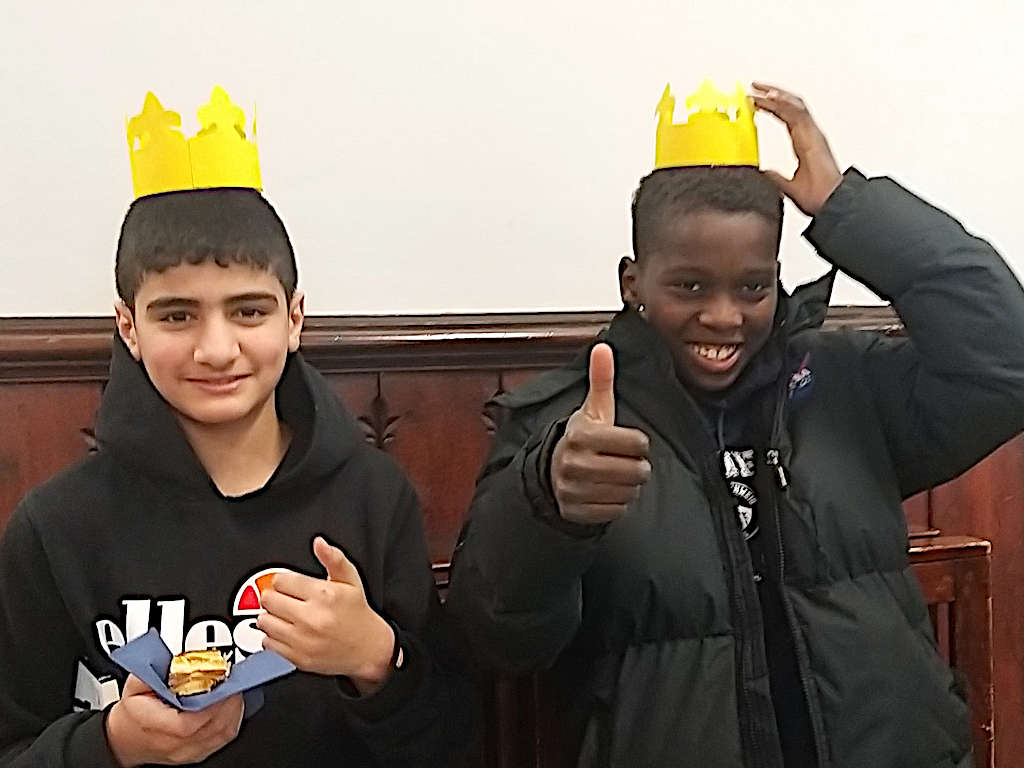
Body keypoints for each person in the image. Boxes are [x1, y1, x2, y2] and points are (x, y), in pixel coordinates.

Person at [447, 83, 1024, 767]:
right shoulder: (567, 431)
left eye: (752, 287)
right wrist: (550, 509)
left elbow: (1007, 361)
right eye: (689, 286)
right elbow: (496, 639)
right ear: (632, 281)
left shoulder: (845, 387)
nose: (724, 317)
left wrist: (847, 207)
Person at [0, 185, 467, 764]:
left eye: (249, 311)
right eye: (177, 316)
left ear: (294, 319)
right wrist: (112, 743)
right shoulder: (56, 527)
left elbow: (453, 737)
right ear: (129, 327)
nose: (217, 350)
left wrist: (377, 659)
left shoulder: (374, 496)